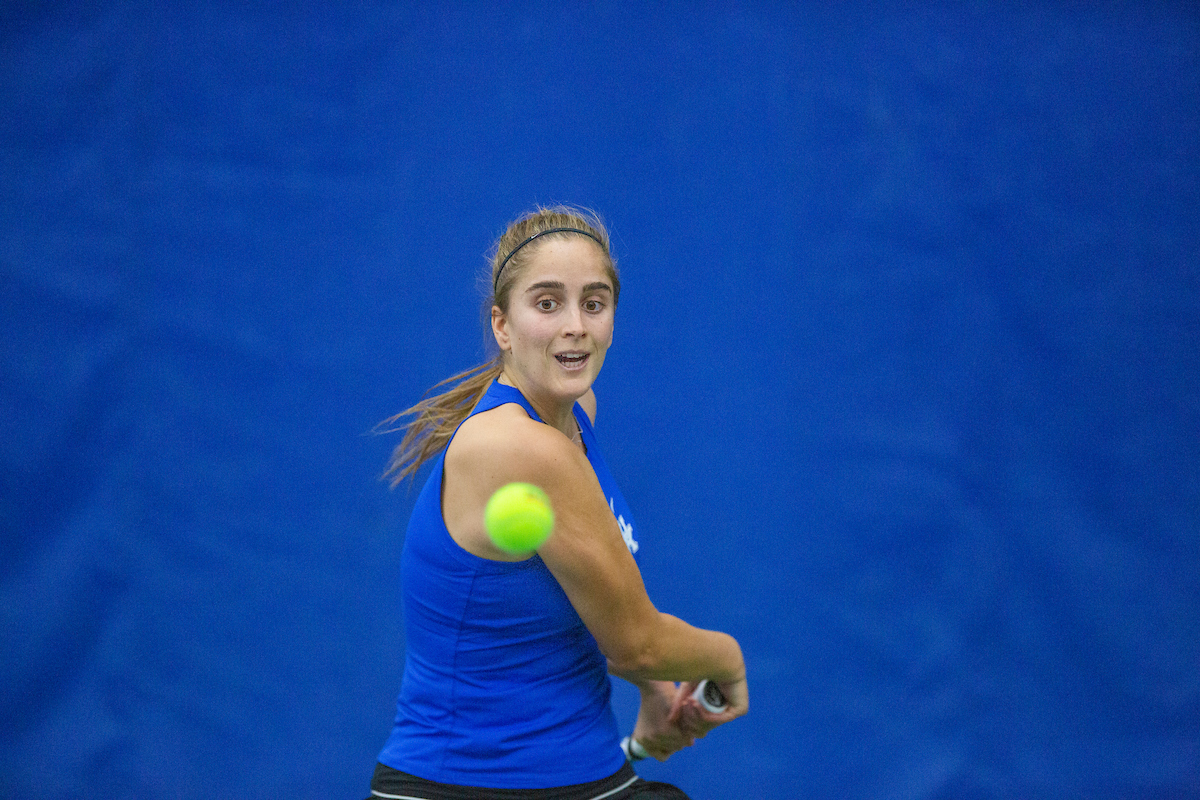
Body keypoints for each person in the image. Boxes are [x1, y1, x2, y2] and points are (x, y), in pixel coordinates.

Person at [368, 207, 748, 800]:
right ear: (502, 325)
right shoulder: (519, 447)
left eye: (593, 303)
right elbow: (635, 641)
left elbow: (595, 612)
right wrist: (727, 660)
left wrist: (652, 691)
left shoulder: (576, 416)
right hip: (470, 788)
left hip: (580, 776)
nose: (575, 325)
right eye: (548, 304)